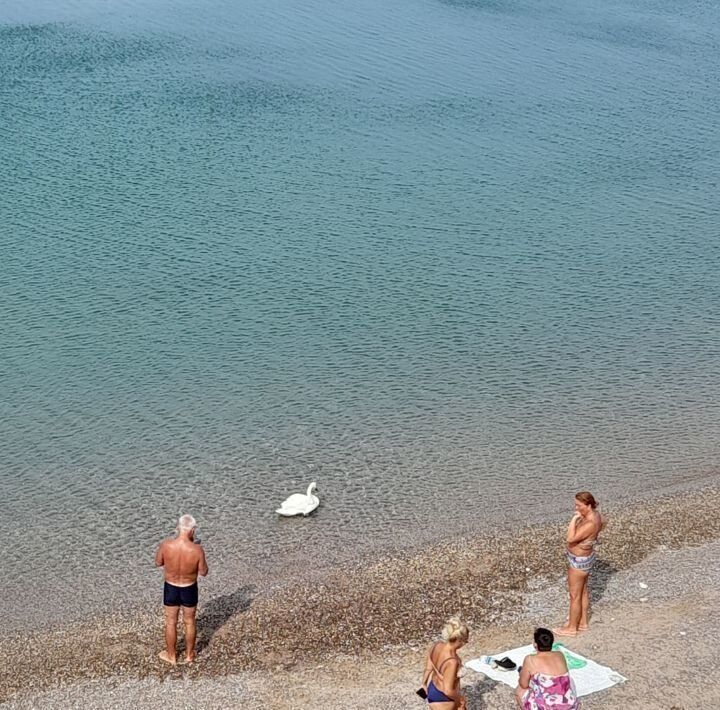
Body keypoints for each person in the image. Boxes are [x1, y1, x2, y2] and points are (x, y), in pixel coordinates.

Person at [155, 514, 209, 665]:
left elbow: (158, 562)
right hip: (189, 588)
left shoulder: (166, 545)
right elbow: (204, 572)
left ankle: (171, 656)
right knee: (190, 621)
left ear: (178, 527)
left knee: (171, 622)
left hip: (171, 587)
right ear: (193, 530)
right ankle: (189, 655)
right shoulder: (197, 550)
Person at [555, 491, 605, 636]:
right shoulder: (596, 516)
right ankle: (582, 622)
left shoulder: (590, 522)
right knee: (583, 591)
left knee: (574, 595)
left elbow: (570, 538)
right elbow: (604, 522)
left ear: (588, 505)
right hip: (586, 558)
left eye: (579, 506)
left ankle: (571, 628)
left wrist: (574, 519)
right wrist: (590, 541)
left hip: (578, 562)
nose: (576, 508)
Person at [515, 627, 579, 709]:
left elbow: (523, 685)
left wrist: (522, 675)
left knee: (519, 691)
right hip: (568, 705)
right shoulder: (560, 655)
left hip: (547, 707)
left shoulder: (530, 659)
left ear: (535, 644)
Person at [420, 617, 469, 710]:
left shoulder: (436, 646)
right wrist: (460, 700)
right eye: (465, 640)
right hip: (444, 698)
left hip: (432, 689)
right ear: (459, 640)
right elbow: (448, 691)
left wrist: (423, 685)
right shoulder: (452, 661)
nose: (465, 643)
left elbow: (428, 669)